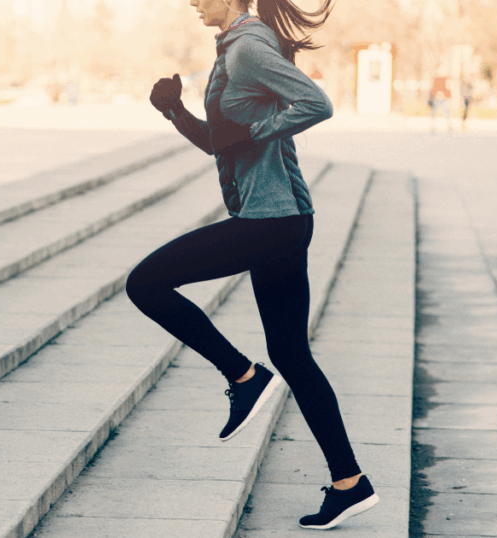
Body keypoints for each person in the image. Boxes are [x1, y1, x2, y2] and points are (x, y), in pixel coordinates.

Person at [127, 0, 378, 530]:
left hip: (270, 221)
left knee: (145, 283)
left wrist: (259, 130)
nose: (192, 2)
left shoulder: (247, 47)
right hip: (281, 218)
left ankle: (242, 376)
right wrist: (173, 111)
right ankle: (349, 483)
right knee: (292, 353)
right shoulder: (236, 48)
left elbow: (316, 103)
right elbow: (218, 144)